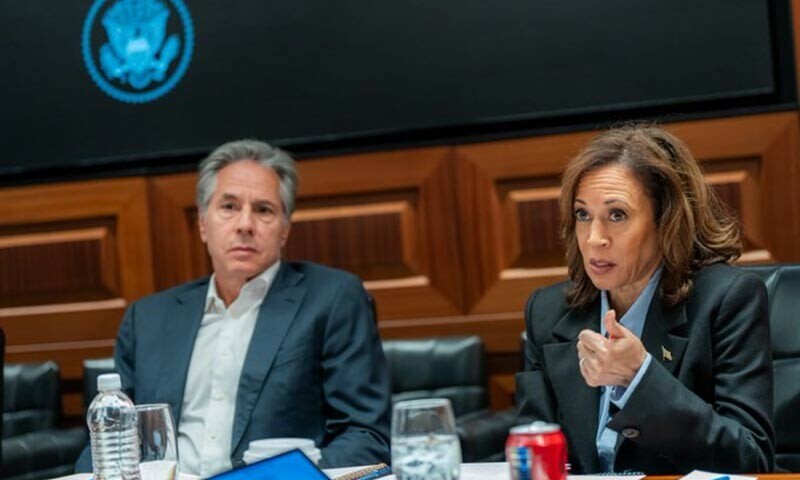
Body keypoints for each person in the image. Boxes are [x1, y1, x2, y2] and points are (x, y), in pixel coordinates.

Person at [76, 139, 391, 476]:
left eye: (263, 210)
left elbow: (365, 436)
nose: (245, 224)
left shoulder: (332, 299)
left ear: (284, 229)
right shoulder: (148, 319)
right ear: (202, 223)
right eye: (228, 207)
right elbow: (106, 444)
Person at [515, 125, 774, 474]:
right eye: (583, 215)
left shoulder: (726, 300)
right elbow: (533, 451)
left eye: (617, 215)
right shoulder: (547, 312)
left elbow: (750, 457)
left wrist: (639, 379)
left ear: (666, 222)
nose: (594, 239)